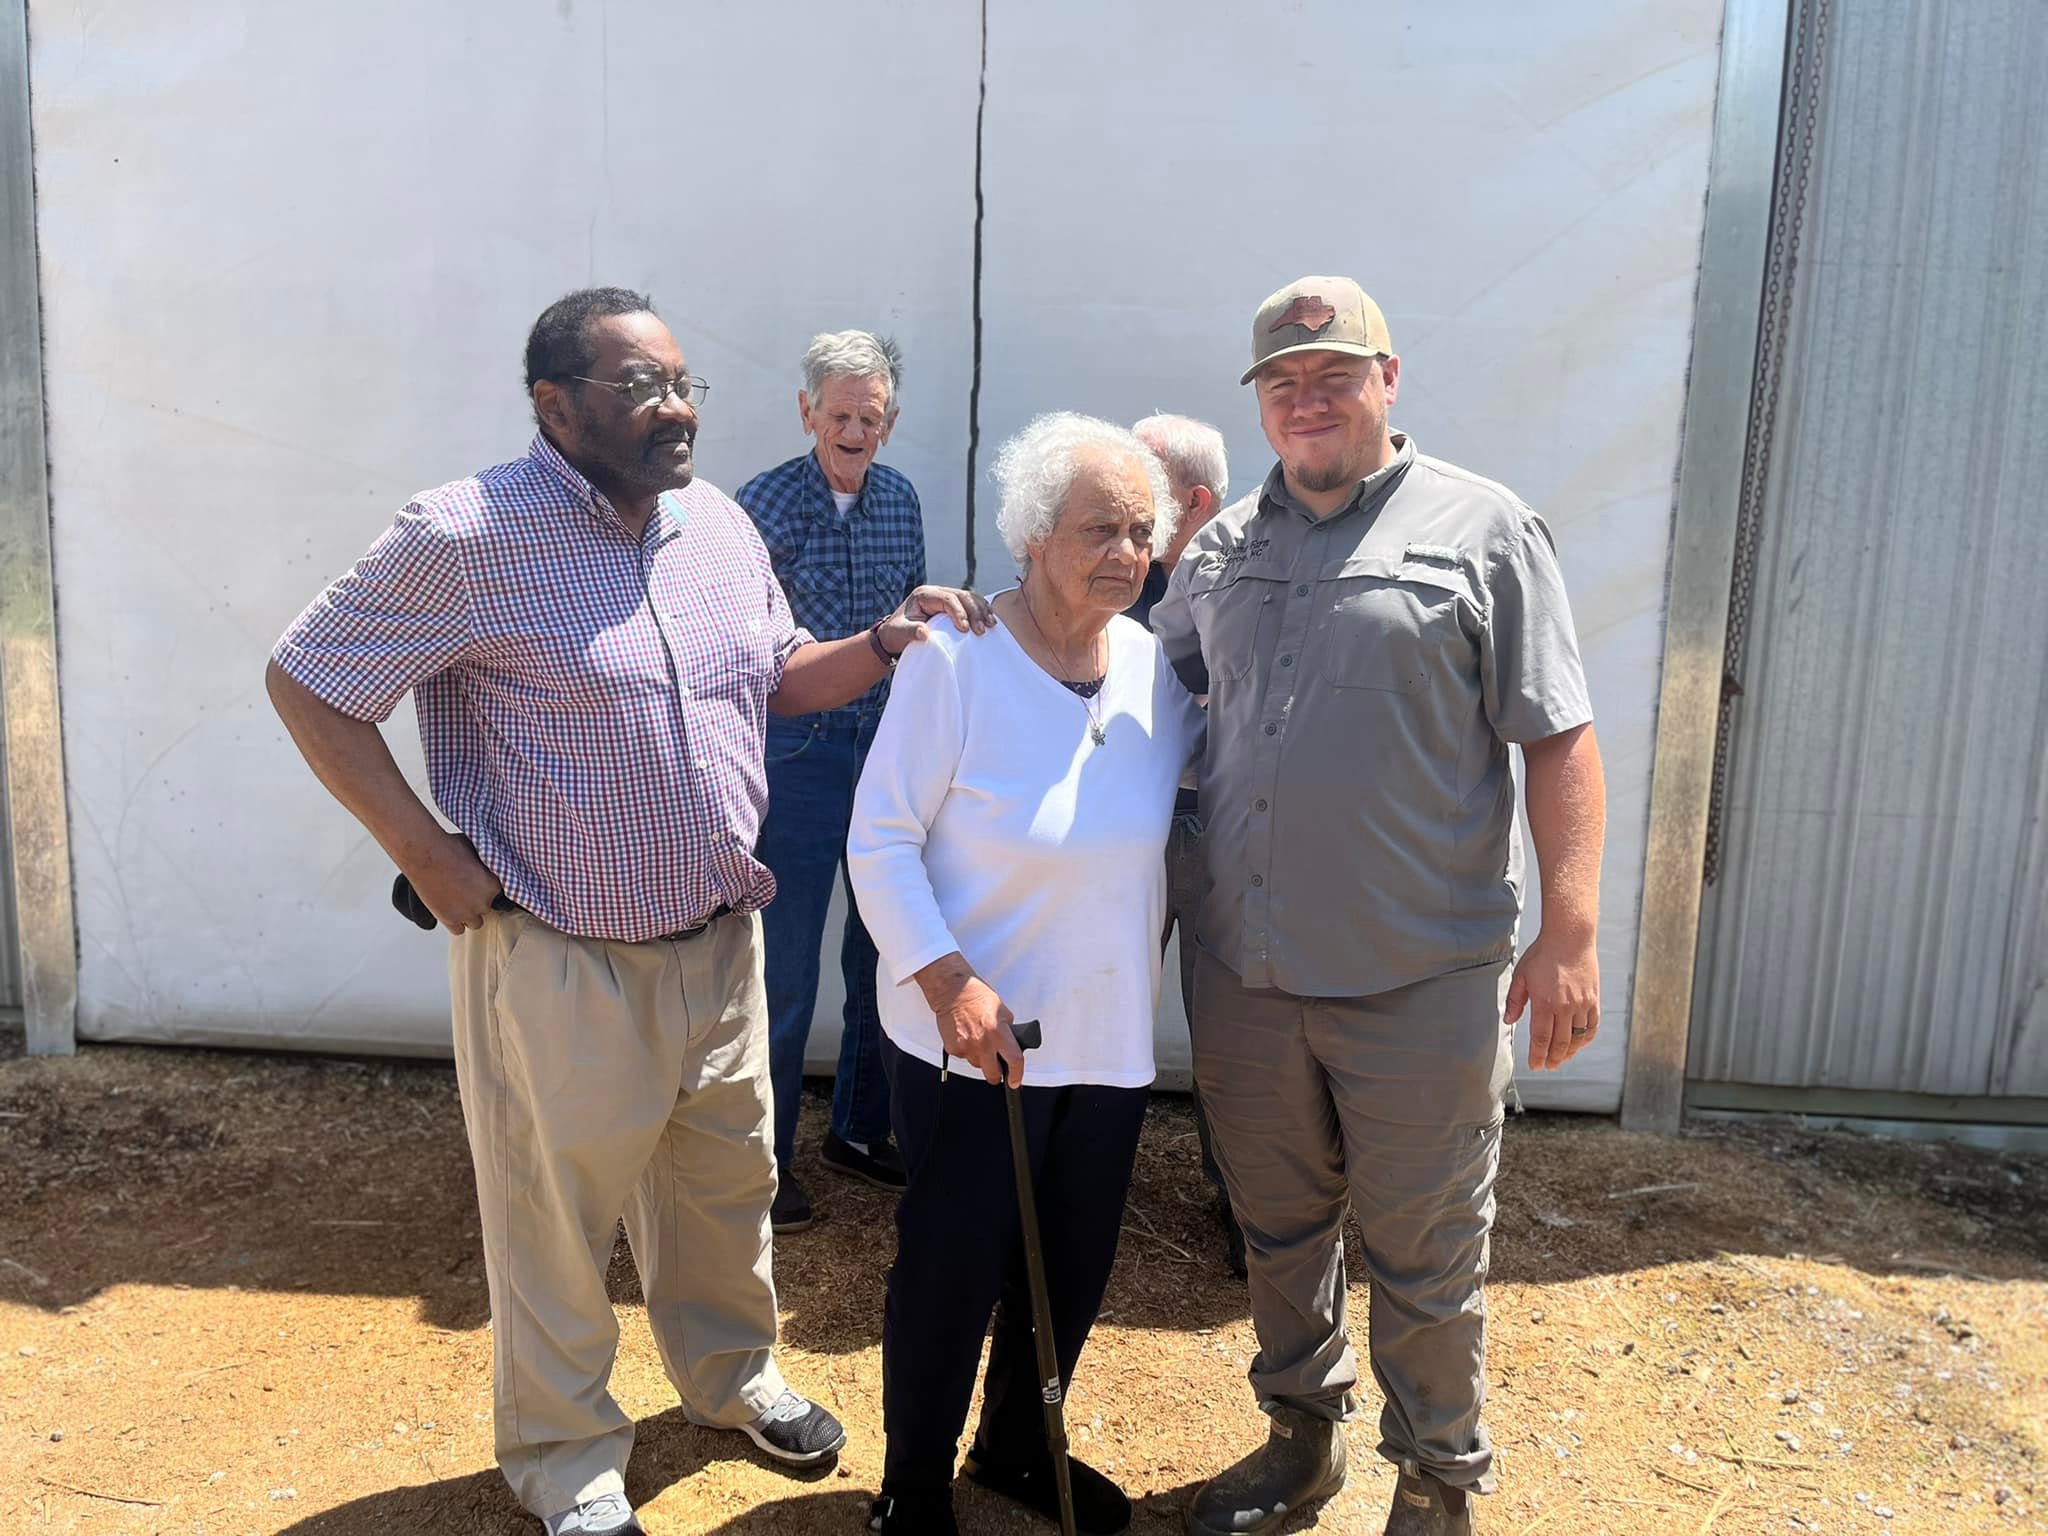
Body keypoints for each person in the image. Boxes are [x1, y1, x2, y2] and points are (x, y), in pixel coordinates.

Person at [264, 288, 992, 1536]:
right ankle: (563, 1457)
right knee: (555, 1220)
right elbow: (310, 679)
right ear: (554, 405)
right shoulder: (463, 535)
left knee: (725, 1185)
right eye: (639, 387)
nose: (675, 409)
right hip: (558, 955)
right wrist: (428, 856)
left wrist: (880, 640)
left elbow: (771, 677)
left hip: (719, 942)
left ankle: (728, 1376)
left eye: (684, 382)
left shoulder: (710, 527)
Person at [1154, 277, 1607, 1536]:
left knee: (1425, 1250)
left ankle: (1436, 1482)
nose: (1306, 400)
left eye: (1332, 374)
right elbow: (1135, 682)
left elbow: (1558, 740)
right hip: (1245, 974)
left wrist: (1567, 932)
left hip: (1421, 974)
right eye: (1281, 383)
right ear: (1258, 402)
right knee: (1279, 1226)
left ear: (1387, 377)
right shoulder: (1223, 548)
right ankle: (1301, 1441)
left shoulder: (1484, 529)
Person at [847, 413, 1203, 1536]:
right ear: (1031, 537)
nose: (1123, 552)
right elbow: (880, 839)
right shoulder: (954, 661)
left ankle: (1012, 1445)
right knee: (953, 1270)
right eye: (1098, 528)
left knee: (1069, 1267)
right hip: (972, 1039)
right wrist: (947, 981)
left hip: (1103, 1034)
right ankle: (911, 1484)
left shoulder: (1150, 666)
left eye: (1140, 533)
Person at [738, 330, 924, 1233]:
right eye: (841, 414)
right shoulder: (760, 504)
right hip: (798, 759)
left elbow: (915, 633)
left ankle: (859, 1127)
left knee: (881, 950)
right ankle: (766, 1163)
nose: (856, 431)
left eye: (872, 416)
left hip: (883, 752)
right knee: (785, 968)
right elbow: (740, 649)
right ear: (807, 410)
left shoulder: (899, 499)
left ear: (890, 422)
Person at [1127, 413, 1244, 1278]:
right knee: (1101, 997)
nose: (1126, 504)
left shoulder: (1251, 576)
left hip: (1215, 831)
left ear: (1195, 501)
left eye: (1147, 485)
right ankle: (1080, 1183)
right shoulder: (1118, 570)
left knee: (1231, 1025)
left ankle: (1247, 1205)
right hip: (1127, 829)